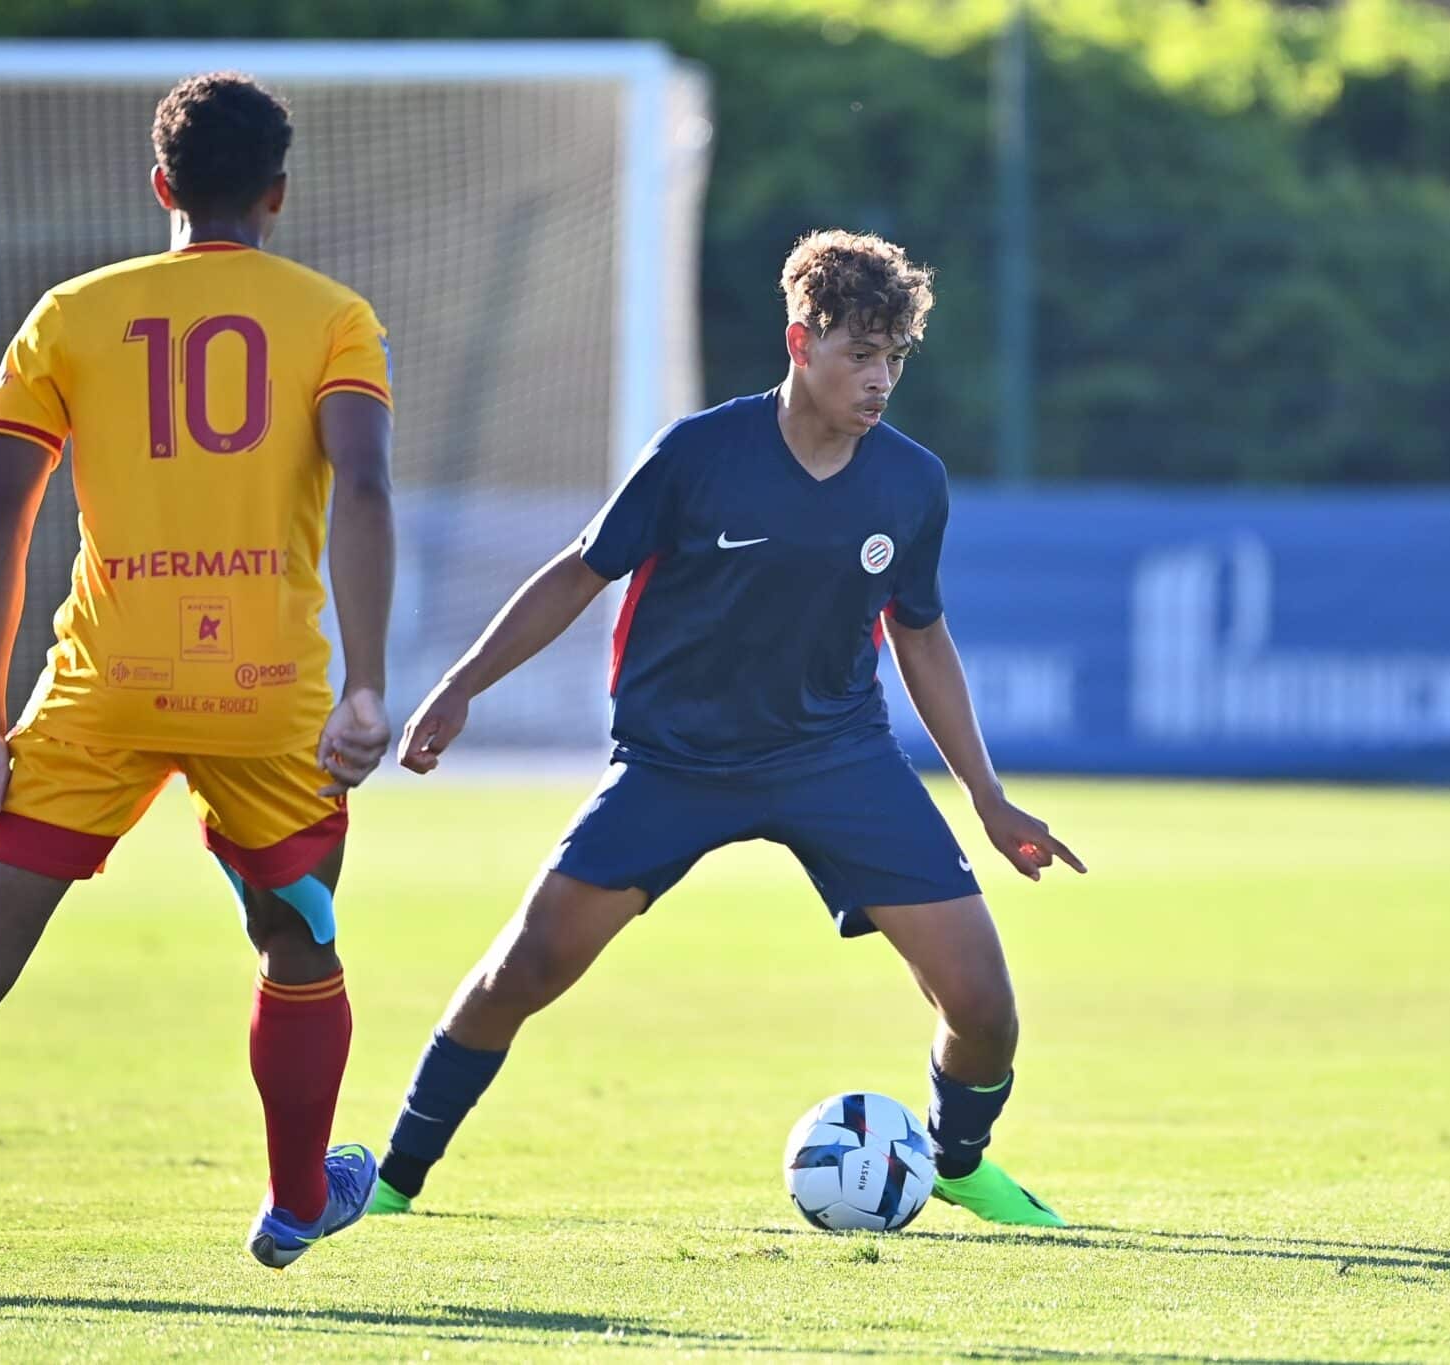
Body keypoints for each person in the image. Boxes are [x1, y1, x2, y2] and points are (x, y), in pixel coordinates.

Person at [0, 71, 396, 1310]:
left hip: (105, 689)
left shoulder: (70, 314)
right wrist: (365, 689)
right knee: (298, 941)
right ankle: (293, 1199)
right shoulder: (335, 318)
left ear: (160, 186)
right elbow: (365, 491)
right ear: (277, 192)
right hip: (267, 699)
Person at [369, 229, 1081, 1229]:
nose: (879, 380)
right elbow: (580, 570)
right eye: (858, 355)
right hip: (676, 765)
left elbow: (918, 634)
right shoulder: (697, 453)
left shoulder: (910, 482)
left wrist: (987, 795)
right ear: (800, 343)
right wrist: (461, 684)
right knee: (522, 971)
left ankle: (955, 1162)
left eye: (894, 358)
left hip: (835, 758)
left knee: (982, 1004)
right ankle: (394, 1179)